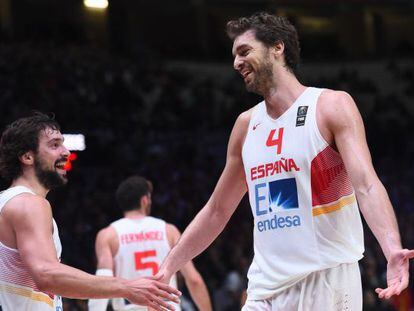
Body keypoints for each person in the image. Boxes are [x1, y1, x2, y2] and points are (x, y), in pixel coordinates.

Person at [157, 12, 414, 310]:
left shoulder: (330, 105)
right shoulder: (245, 125)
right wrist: (169, 266)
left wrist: (392, 248)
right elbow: (217, 210)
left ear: (277, 48)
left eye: (244, 51)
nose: (236, 63)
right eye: (234, 55)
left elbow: (367, 185)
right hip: (264, 286)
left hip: (326, 279)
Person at [0, 113, 180, 311]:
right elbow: (46, 274)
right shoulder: (29, 204)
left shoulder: (8, 201)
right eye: (54, 145)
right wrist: (127, 287)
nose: (66, 152)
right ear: (27, 156)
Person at [88, 175, 212, 311]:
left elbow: (103, 280)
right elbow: (193, 280)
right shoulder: (169, 231)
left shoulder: (108, 234)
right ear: (145, 200)